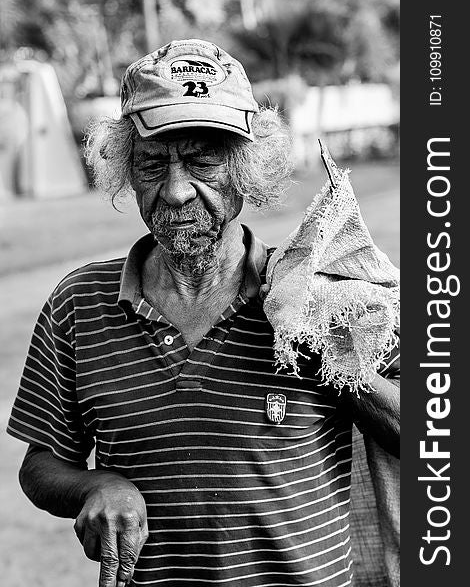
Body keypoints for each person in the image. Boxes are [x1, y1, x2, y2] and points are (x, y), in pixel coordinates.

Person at [7, 39, 399, 587]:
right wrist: (94, 486)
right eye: (151, 164)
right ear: (125, 168)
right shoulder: (80, 302)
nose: (173, 191)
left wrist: (333, 358)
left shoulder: (323, 291)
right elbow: (40, 466)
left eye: (201, 163)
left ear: (246, 168)